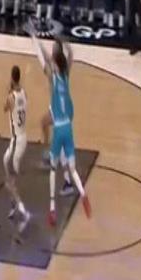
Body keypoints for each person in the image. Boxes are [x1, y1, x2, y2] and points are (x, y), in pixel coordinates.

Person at [29, 25, 91, 226]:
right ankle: (63, 173)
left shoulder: (55, 72)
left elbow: (43, 59)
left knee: (59, 147)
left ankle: (64, 179)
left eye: (55, 47)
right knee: (44, 124)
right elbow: (64, 55)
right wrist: (62, 42)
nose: (53, 49)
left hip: (60, 113)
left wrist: (34, 39)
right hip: (64, 112)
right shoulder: (63, 70)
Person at [3, 65, 30, 224]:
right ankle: (14, 204)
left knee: (10, 182)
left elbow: (4, 108)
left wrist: (9, 90)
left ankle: (22, 209)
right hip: (23, 137)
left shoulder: (11, 97)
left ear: (12, 78)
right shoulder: (24, 93)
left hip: (16, 140)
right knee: (6, 162)